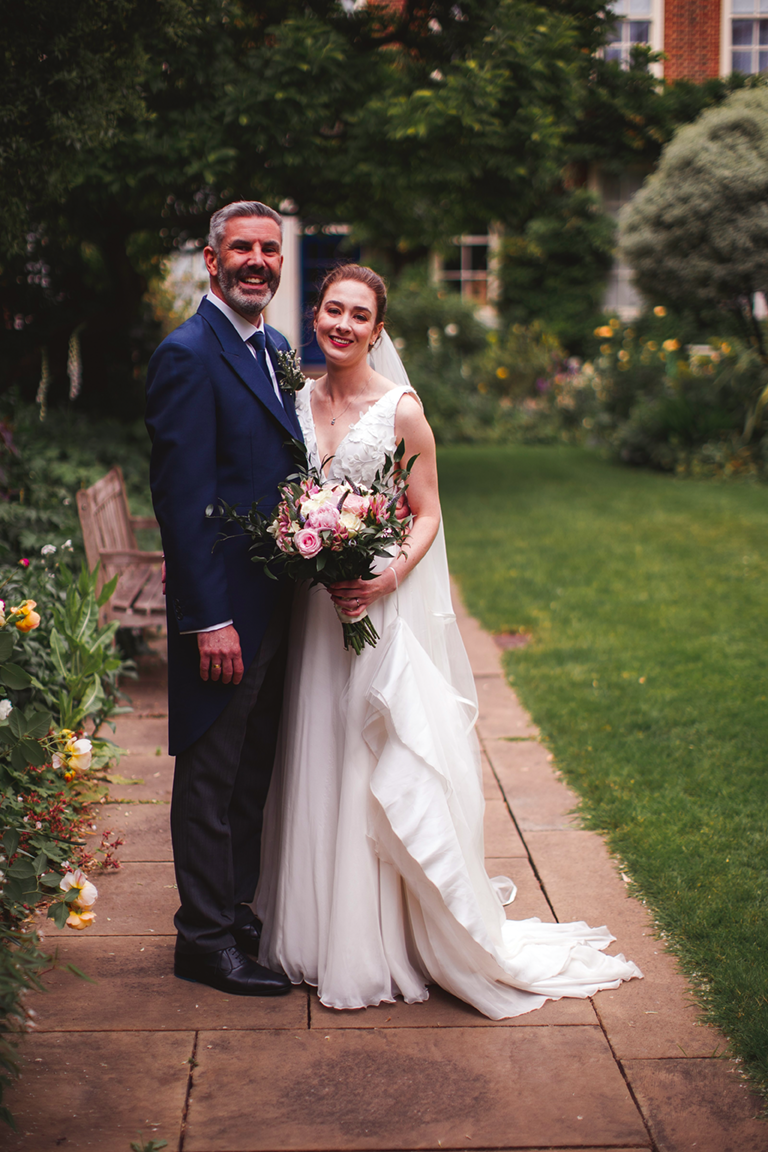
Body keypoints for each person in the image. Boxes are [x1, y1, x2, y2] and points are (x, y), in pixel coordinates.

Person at [256, 264, 642, 1017]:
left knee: (371, 759)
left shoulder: (400, 410)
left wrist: (385, 579)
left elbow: (428, 513)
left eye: (357, 315)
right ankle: (310, 931)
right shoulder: (295, 399)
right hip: (312, 611)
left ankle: (377, 938)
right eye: (331, 308)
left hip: (372, 603)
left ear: (377, 328)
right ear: (317, 315)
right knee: (314, 750)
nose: (341, 323)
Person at [145, 200, 302, 996]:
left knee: (250, 771)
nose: (256, 260)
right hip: (223, 610)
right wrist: (207, 617)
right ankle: (202, 941)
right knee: (210, 772)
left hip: (274, 603)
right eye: (240, 247)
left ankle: (232, 910)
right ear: (212, 260)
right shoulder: (187, 353)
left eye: (269, 249)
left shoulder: (273, 347)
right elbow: (181, 500)